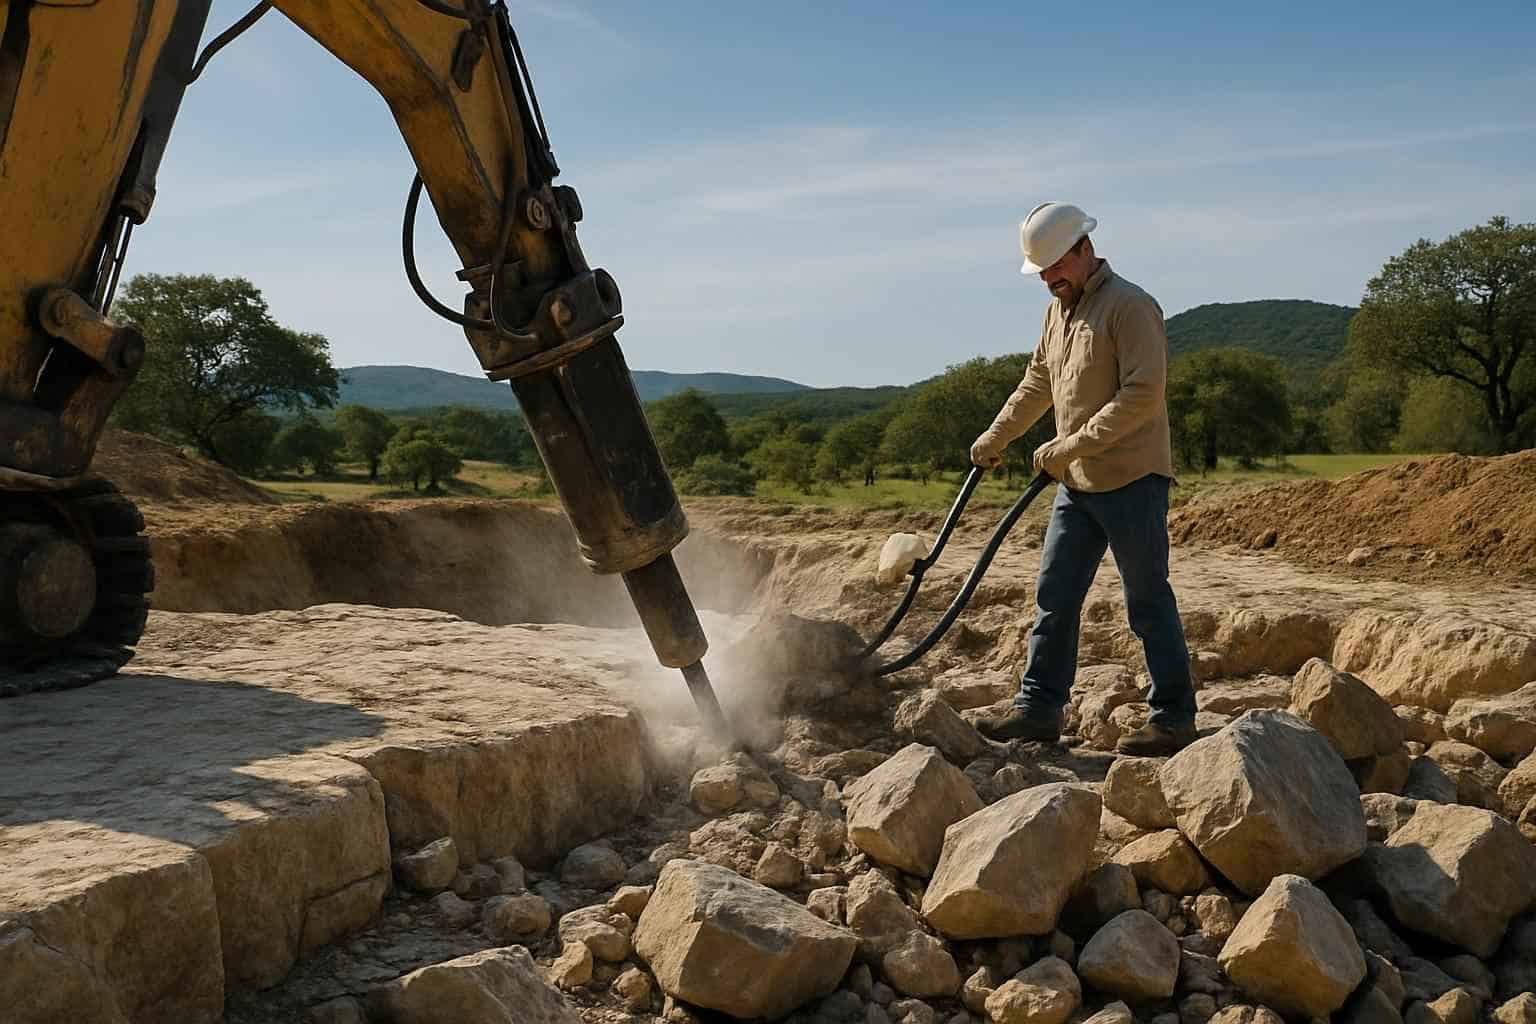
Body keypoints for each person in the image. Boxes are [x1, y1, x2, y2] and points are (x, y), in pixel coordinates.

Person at [970, 202, 1197, 757]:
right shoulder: (1058, 314)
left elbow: (1142, 396)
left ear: (1085, 249)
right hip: (1077, 484)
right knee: (1055, 595)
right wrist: (997, 436)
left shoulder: (1131, 307)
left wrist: (1068, 445)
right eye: (1042, 270)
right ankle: (1038, 709)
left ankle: (1173, 718)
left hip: (1133, 478)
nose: (1050, 278)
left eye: (1057, 265)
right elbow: (1037, 383)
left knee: (1146, 600)